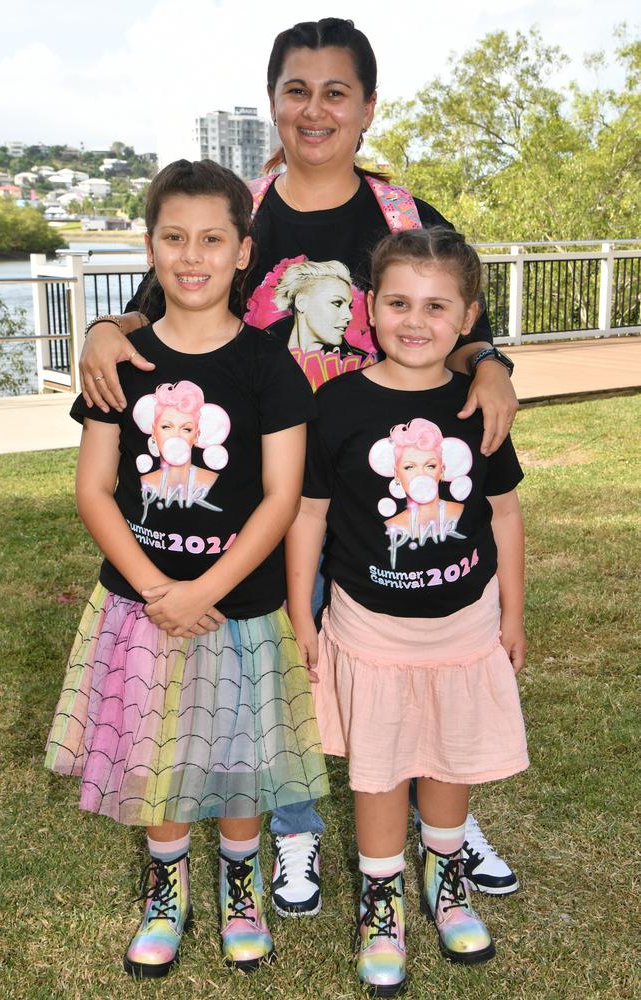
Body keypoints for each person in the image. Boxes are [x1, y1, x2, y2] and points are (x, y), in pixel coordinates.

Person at [77, 17, 520, 920]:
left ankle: (444, 810)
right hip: (259, 488)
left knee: (403, 646)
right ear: (273, 99)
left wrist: (493, 363)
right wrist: (96, 329)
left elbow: (461, 314)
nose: (314, 109)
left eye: (335, 92)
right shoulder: (240, 210)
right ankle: (292, 825)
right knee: (282, 662)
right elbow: (146, 314)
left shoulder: (402, 217)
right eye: (296, 90)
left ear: (365, 106)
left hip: (372, 483)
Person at [44, 158, 329, 979]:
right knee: (158, 758)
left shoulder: (270, 366)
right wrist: (159, 588)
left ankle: (241, 887)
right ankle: (166, 892)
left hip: (239, 607)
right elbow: (95, 490)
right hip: (139, 606)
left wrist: (205, 588)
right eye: (174, 237)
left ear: (244, 251)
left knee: (238, 757)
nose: (192, 255)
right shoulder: (119, 366)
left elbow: (280, 498)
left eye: (212, 238)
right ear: (150, 246)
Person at [285, 227, 528, 995]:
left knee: (451, 756)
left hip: (465, 626)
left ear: (468, 318)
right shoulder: (339, 404)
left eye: (435, 305)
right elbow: (310, 516)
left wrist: (513, 616)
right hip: (369, 628)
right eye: (397, 302)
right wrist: (302, 613)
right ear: (368, 308)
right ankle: (382, 899)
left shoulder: (476, 402)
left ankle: (445, 876)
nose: (414, 320)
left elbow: (507, 515)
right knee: (381, 768)